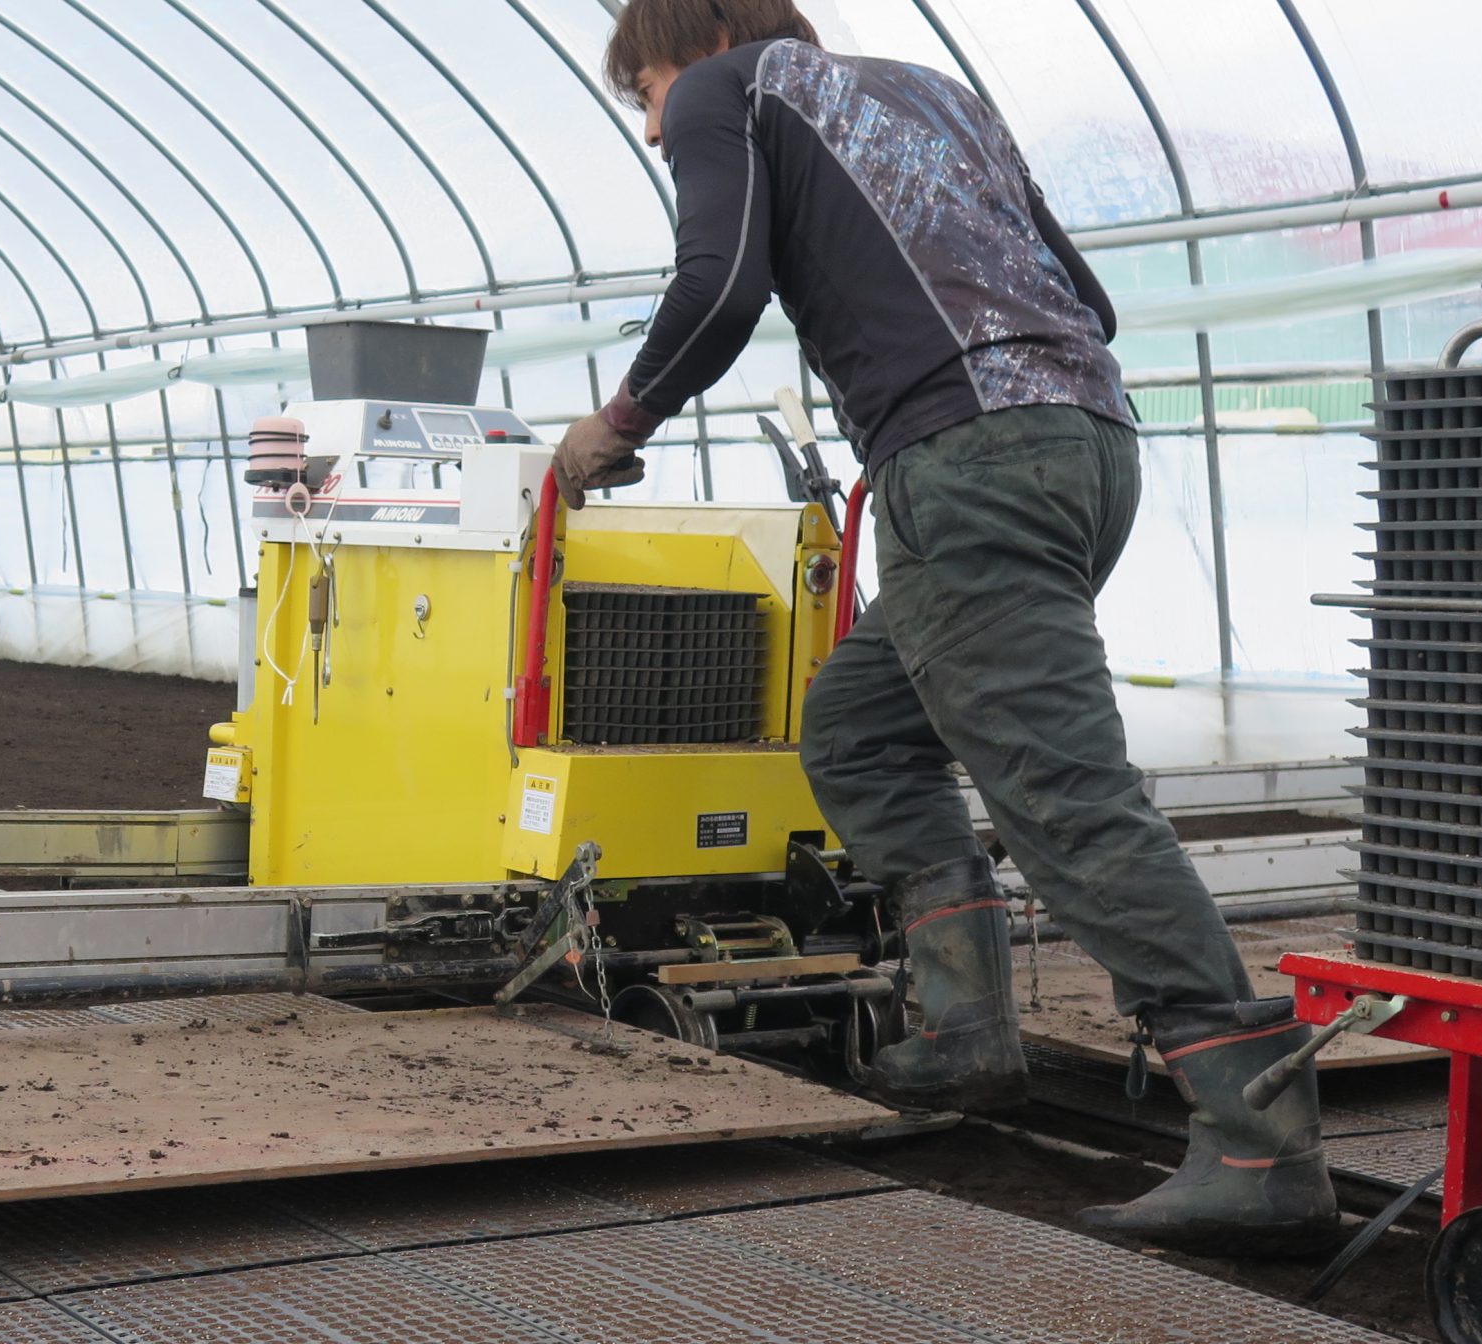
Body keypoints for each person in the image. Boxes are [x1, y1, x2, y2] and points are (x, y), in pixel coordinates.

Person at [559, 0, 1338, 1254]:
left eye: (640, 91)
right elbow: (1083, 293)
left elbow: (718, 285)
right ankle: (962, 1027)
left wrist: (619, 423)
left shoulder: (729, 89)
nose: (655, 127)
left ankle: (1256, 1134)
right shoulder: (929, 90)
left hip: (967, 459)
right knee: (861, 726)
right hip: (1087, 445)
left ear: (688, 47)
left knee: (1062, 793)